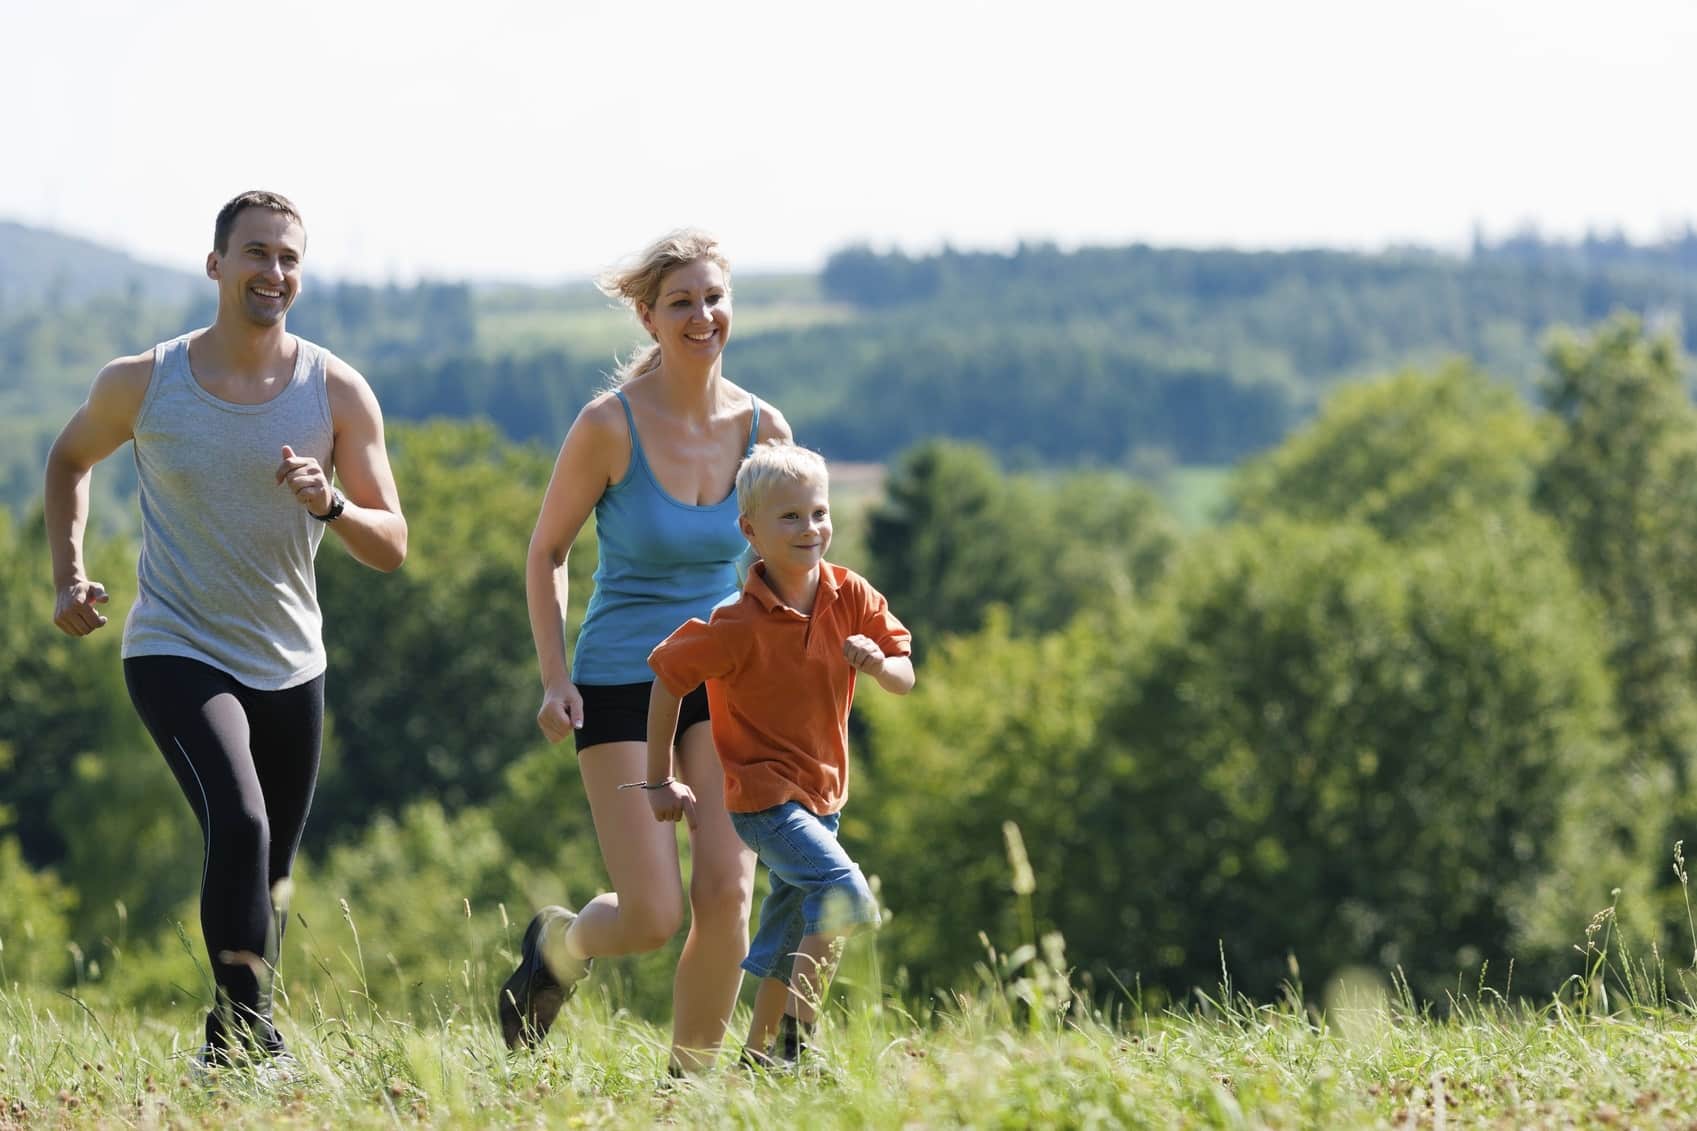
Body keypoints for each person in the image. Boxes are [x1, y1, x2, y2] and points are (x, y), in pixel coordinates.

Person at [43, 190, 408, 1070]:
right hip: (175, 645)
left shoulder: (336, 389)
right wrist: (67, 573)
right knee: (240, 822)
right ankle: (250, 1044)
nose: (272, 273)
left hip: (291, 659)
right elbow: (67, 460)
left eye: (288, 258)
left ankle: (231, 1038)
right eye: (255, 254)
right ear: (215, 266)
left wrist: (333, 502)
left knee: (268, 866)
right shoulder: (146, 380)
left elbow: (391, 544)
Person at [502, 230, 792, 1074]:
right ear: (648, 315)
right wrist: (555, 677)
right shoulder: (609, 426)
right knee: (654, 913)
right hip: (624, 682)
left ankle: (687, 1091)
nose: (702, 316)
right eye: (680, 303)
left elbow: (786, 563)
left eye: (712, 298)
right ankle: (560, 943)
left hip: (726, 683)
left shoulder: (762, 427)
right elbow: (546, 552)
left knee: (726, 892)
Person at [643, 441, 914, 1068]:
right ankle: (798, 1040)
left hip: (824, 797)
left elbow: (905, 672)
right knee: (845, 894)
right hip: (762, 801)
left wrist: (881, 665)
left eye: (818, 513)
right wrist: (657, 781)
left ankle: (764, 1061)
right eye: (789, 517)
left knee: (792, 933)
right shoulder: (735, 623)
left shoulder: (850, 595)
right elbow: (666, 679)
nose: (809, 528)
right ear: (750, 530)